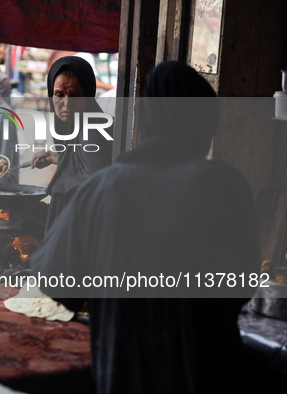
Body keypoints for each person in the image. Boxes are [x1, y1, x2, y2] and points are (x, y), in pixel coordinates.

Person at [32, 61, 260, 393]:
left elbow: (57, 284)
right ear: (203, 126)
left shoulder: (101, 189)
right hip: (210, 374)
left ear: (148, 122)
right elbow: (243, 284)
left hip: (125, 374)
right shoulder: (227, 185)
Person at [31, 56, 113, 230]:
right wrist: (54, 156)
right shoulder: (79, 126)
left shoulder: (93, 130)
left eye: (75, 95)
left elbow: (93, 185)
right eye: (59, 95)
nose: (67, 103)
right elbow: (81, 164)